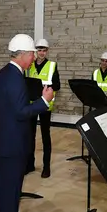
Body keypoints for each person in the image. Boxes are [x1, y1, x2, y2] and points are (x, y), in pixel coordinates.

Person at [0, 34, 55, 212]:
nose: (33, 58)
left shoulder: (2, 73)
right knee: (11, 192)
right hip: (14, 145)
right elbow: (21, 112)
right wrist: (44, 101)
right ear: (23, 54)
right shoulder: (16, 78)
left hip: (2, 142)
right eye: (32, 54)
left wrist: (8, 117)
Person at [25, 38, 60, 178]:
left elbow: (57, 85)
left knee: (46, 136)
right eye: (39, 50)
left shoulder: (52, 65)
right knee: (30, 136)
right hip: (32, 105)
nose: (42, 53)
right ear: (36, 51)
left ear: (47, 51)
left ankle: (46, 167)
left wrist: (47, 89)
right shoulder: (29, 65)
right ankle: (30, 165)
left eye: (44, 50)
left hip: (46, 105)